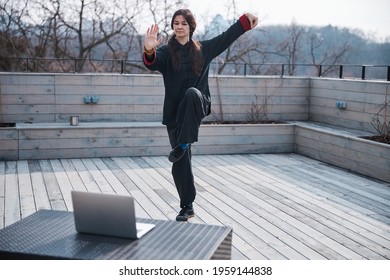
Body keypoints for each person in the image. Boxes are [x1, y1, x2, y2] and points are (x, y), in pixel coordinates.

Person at [143, 9, 258, 221]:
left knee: (192, 93)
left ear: (191, 27)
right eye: (176, 23)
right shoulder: (167, 52)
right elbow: (152, 62)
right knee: (181, 162)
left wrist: (245, 21)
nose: (179, 26)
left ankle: (183, 144)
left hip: (197, 104)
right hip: (175, 115)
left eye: (184, 23)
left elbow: (227, 36)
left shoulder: (203, 49)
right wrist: (149, 50)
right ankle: (187, 205)